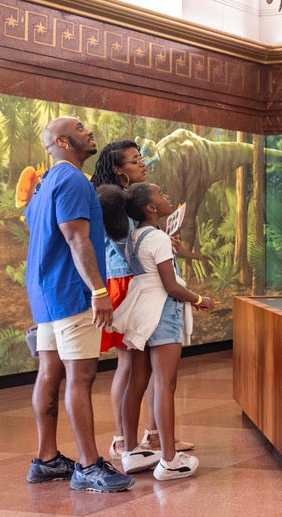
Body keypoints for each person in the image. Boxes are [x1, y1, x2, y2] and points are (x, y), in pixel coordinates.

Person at [24, 116, 133, 493]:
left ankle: (46, 459)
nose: (89, 130)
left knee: (49, 373)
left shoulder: (44, 184)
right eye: (80, 127)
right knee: (80, 376)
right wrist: (99, 291)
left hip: (45, 294)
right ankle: (88, 465)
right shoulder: (71, 179)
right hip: (71, 292)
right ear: (62, 142)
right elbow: (76, 239)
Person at [91, 141, 188, 461]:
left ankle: (153, 434)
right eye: (134, 160)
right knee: (130, 366)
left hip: (140, 281)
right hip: (126, 281)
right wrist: (156, 250)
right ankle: (122, 440)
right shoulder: (113, 201)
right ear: (119, 170)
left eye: (141, 158)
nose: (142, 163)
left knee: (146, 368)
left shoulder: (131, 199)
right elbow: (125, 248)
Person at [111, 182, 214, 482]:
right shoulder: (157, 238)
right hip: (162, 312)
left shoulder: (134, 236)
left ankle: (131, 451)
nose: (166, 197)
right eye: (160, 195)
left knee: (136, 382)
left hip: (139, 309)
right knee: (164, 385)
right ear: (151, 208)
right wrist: (199, 299)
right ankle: (169, 459)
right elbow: (171, 286)